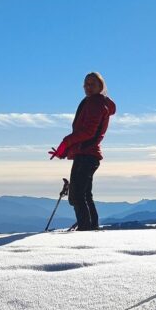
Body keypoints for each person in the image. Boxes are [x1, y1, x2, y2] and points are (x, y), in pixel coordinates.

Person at [49, 72, 116, 231]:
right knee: (85, 194)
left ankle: (86, 230)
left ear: (100, 86)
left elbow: (88, 132)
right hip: (88, 155)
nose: (88, 87)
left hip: (86, 155)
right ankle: (91, 227)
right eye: (86, 84)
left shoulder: (95, 103)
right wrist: (64, 151)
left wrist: (65, 143)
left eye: (92, 84)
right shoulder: (95, 102)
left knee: (76, 196)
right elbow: (86, 134)